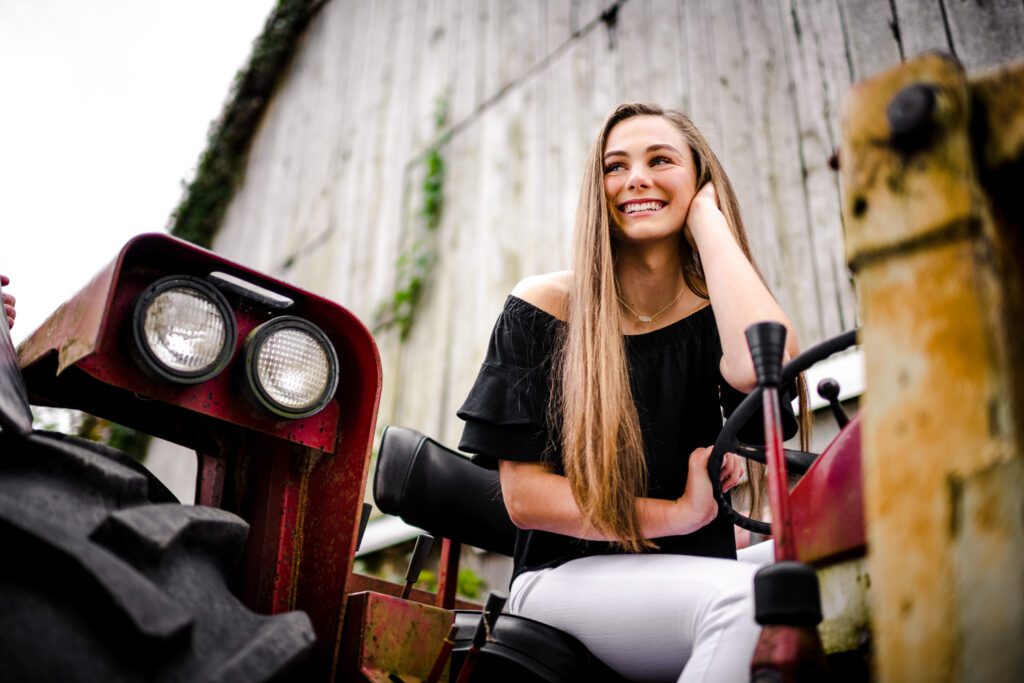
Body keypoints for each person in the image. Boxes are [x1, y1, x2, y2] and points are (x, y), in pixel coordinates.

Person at [457, 103, 808, 682]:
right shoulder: (545, 306)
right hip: (564, 577)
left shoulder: (716, 314)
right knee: (751, 600)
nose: (636, 178)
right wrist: (675, 516)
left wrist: (709, 222)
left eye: (660, 160)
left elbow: (761, 366)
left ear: (701, 180)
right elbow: (526, 499)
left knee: (847, 565)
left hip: (696, 569)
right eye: (615, 166)